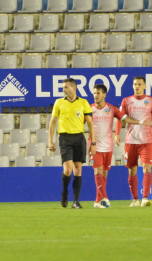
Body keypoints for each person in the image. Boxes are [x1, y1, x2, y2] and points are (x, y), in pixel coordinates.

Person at [90, 84, 152, 209]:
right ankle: (105, 199)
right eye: (94, 93)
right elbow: (80, 122)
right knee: (98, 171)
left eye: (98, 93)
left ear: (104, 94)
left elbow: (124, 118)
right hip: (94, 146)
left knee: (105, 174)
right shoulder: (89, 109)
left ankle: (97, 201)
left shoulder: (111, 109)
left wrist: (140, 122)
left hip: (108, 146)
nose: (95, 96)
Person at [115, 76, 152, 207]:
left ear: (144, 86)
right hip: (131, 141)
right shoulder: (126, 101)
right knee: (132, 170)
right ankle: (135, 200)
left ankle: (145, 198)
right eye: (134, 84)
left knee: (146, 168)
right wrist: (116, 133)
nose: (136, 86)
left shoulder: (151, 101)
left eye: (139, 84)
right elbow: (120, 118)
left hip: (146, 141)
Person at [48, 78, 95, 209]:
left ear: (74, 88)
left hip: (79, 138)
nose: (63, 90)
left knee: (78, 170)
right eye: (62, 87)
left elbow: (90, 123)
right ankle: (64, 192)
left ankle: (76, 201)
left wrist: (94, 142)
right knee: (68, 170)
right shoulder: (59, 103)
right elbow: (53, 122)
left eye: (65, 87)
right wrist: (50, 140)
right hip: (65, 138)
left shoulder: (83, 102)